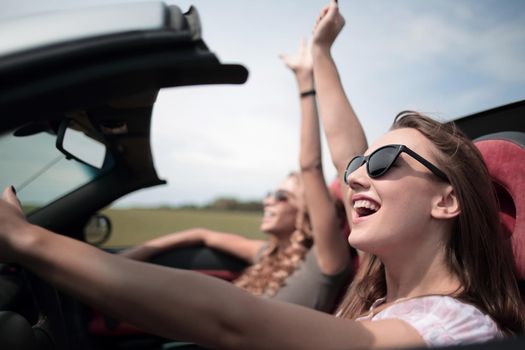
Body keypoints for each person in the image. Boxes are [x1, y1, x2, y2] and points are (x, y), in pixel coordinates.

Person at [0, 1, 523, 349]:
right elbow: (344, 156)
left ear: (446, 202)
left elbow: (235, 322)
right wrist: (320, 55)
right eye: (360, 167)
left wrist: (26, 240)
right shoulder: (382, 291)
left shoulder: (452, 325)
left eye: (383, 164)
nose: (357, 178)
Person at [117, 38, 354, 312]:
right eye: (270, 194)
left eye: (282, 196)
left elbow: (310, 166)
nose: (268, 201)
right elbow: (202, 234)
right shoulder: (268, 255)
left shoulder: (326, 260)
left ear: (308, 211)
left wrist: (304, 81)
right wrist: (130, 256)